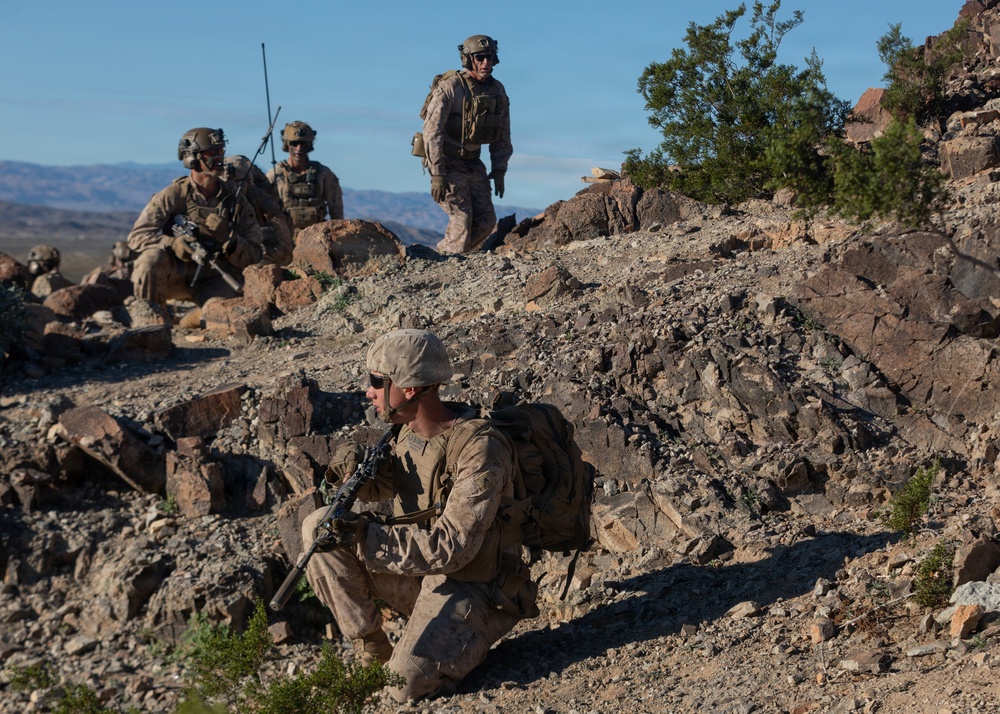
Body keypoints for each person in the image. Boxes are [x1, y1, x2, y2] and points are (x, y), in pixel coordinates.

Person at [300, 328, 537, 703]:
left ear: (409, 389)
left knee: (403, 686)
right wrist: (351, 470)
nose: (368, 391)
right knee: (320, 528)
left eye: (377, 381)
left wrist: (365, 536)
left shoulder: (480, 450)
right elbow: (388, 486)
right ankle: (373, 649)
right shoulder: (404, 432)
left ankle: (457, 641)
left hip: (477, 587)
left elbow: (453, 548)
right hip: (423, 574)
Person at [126, 127, 263, 310]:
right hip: (176, 273)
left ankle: (193, 320)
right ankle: (151, 320)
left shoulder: (235, 200)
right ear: (192, 157)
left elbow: (255, 254)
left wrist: (230, 240)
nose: (220, 157)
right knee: (150, 260)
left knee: (222, 314)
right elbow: (137, 237)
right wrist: (172, 244)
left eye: (221, 151)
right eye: (212, 153)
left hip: (213, 277)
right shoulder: (174, 194)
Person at [422, 35, 512, 254]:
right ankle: (445, 262)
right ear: (468, 59)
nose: (486, 63)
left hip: (473, 164)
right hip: (447, 163)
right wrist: (438, 174)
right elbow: (432, 132)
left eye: (490, 57)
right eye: (480, 58)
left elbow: (503, 133)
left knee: (486, 222)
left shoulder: (497, 90)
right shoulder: (451, 87)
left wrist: (499, 169)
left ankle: (448, 258)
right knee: (461, 221)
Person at [266, 121, 344, 238]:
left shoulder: (323, 174)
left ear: (309, 145)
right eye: (294, 144)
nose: (299, 148)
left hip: (317, 239)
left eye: (303, 144)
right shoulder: (275, 175)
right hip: (284, 239)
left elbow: (336, 211)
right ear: (287, 144)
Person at [224, 155, 294, 266]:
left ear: (248, 182)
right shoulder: (218, 201)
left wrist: (260, 254)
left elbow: (285, 251)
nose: (234, 187)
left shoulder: (263, 202)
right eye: (229, 183)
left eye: (239, 182)